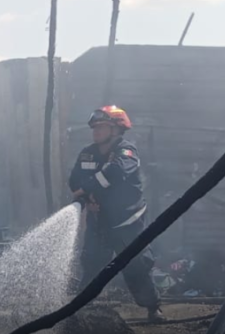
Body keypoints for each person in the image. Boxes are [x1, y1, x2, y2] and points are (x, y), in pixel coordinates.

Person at [69, 105, 164, 323]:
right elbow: (75, 180)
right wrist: (88, 199)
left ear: (116, 130)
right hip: (99, 221)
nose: (95, 131)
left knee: (136, 266)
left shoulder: (126, 151)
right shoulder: (87, 153)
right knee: (91, 263)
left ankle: (153, 307)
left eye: (101, 127)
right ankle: (81, 308)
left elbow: (116, 172)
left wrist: (87, 188)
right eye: (94, 127)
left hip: (127, 222)